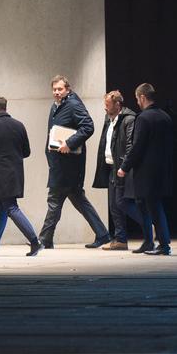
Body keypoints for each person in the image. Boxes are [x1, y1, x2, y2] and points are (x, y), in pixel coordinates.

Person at [38, 75, 110, 249]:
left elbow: (88, 126)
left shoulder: (73, 104)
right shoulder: (56, 106)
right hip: (59, 163)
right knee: (78, 199)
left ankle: (44, 239)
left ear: (67, 89)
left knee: (54, 200)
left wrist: (69, 143)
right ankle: (103, 234)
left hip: (68, 165)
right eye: (54, 89)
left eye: (60, 89)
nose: (56, 92)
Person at [0, 96, 43, 257]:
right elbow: (26, 152)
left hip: (1, 175)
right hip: (17, 173)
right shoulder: (19, 125)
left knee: (11, 208)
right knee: (2, 211)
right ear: (5, 108)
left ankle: (35, 242)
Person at [118, 83, 173, 255]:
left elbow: (137, 146)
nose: (137, 102)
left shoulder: (143, 118)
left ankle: (164, 245)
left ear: (142, 97)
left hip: (146, 171)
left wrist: (124, 167)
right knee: (143, 204)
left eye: (137, 98)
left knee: (154, 207)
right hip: (162, 168)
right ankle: (148, 241)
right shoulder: (165, 117)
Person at [92, 90, 148, 251]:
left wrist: (125, 166)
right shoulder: (109, 119)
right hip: (110, 167)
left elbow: (130, 144)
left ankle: (149, 224)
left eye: (108, 105)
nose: (105, 108)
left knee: (122, 202)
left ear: (118, 104)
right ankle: (121, 239)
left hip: (121, 167)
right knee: (113, 206)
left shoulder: (128, 119)